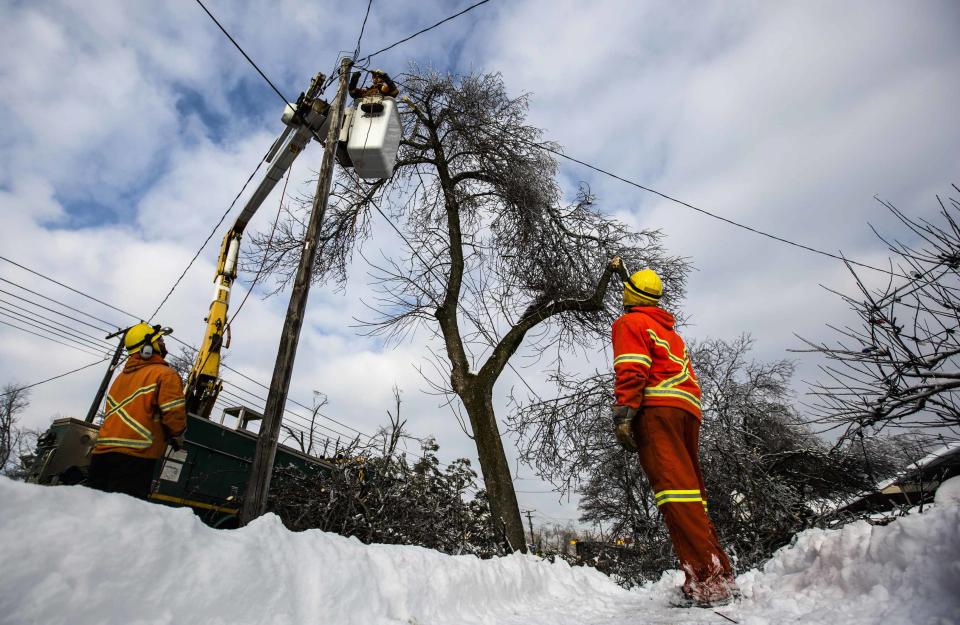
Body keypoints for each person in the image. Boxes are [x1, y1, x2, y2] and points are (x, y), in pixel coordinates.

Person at [610, 264, 736, 607]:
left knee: (675, 495)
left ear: (630, 296)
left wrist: (625, 413)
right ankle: (719, 571)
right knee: (691, 493)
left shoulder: (629, 323)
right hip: (688, 410)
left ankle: (707, 582)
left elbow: (632, 368)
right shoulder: (670, 332)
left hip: (657, 410)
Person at [87, 323, 186, 499]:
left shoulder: (119, 379)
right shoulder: (164, 374)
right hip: (136, 456)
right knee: (125, 515)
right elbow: (173, 413)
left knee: (94, 510)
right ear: (147, 347)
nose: (163, 344)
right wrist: (178, 435)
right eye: (160, 341)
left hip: (101, 456)